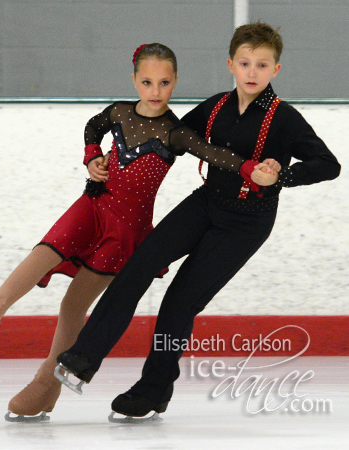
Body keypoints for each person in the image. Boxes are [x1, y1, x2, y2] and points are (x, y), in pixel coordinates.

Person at [0, 43, 272, 422]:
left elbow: (212, 152)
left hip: (124, 230)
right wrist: (92, 156)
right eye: (147, 82)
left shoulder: (175, 132)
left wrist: (248, 169)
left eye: (164, 82)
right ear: (134, 79)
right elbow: (93, 127)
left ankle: (45, 386)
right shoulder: (119, 112)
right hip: (92, 203)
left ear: (175, 82)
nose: (155, 91)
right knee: (44, 252)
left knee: (73, 305)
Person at [55, 22, 341, 421]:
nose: (252, 72)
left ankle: (153, 390)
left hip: (246, 223)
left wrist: (283, 175)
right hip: (205, 203)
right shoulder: (215, 106)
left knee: (180, 301)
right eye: (245, 63)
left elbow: (328, 165)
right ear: (230, 64)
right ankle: (82, 358)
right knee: (138, 265)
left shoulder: (284, 118)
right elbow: (171, 134)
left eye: (262, 65)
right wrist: (109, 152)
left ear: (276, 69)